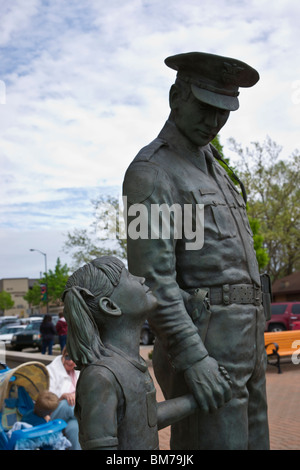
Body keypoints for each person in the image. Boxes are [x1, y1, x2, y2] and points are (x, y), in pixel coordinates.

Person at [123, 52, 270, 450]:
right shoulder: (153, 172)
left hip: (248, 341)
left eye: (224, 111)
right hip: (206, 348)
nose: (215, 121)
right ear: (176, 97)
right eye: (206, 107)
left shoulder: (216, 169)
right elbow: (153, 280)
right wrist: (192, 358)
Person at [62, 256, 198, 450]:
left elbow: (144, 423)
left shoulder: (129, 364)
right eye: (128, 276)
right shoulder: (100, 377)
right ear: (110, 306)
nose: (141, 279)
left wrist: (196, 400)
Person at [47, 347, 81, 449]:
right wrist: (62, 397)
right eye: (67, 357)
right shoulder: (50, 371)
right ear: (63, 355)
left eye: (74, 359)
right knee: (67, 404)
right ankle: (87, 418)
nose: (70, 362)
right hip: (53, 415)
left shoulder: (79, 371)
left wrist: (77, 396)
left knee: (74, 427)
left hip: (72, 416)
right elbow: (47, 402)